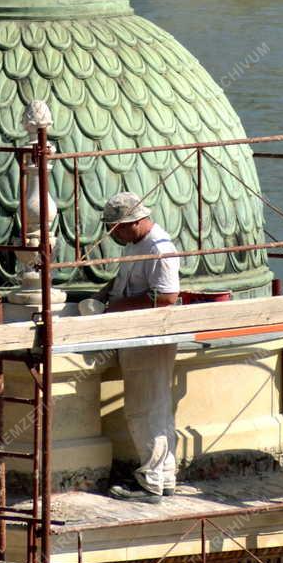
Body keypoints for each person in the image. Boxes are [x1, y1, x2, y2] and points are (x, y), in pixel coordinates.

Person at [100, 193, 181, 501]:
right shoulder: (137, 245)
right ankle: (163, 475)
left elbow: (166, 297)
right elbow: (126, 283)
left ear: (133, 223)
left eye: (116, 229)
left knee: (145, 409)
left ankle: (152, 481)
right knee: (154, 407)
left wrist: (119, 306)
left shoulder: (159, 250)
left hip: (150, 339)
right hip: (136, 338)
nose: (113, 235)